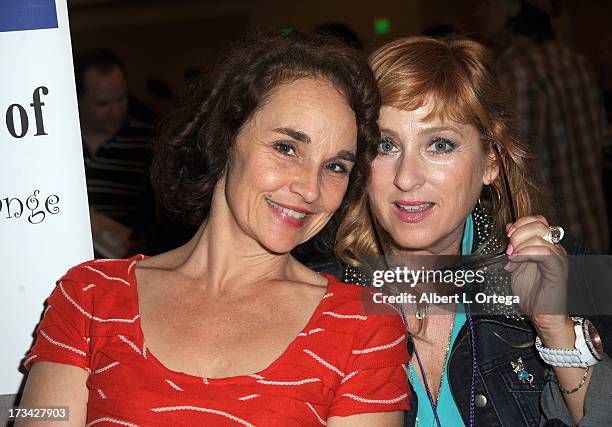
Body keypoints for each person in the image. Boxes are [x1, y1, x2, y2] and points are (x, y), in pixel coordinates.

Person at [18, 33, 410, 426]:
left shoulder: (364, 327)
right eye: (287, 148)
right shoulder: (89, 296)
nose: (310, 188)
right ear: (224, 139)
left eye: (335, 167)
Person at [323, 36, 611, 426]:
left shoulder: (571, 271)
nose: (407, 178)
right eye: (385, 145)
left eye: (439, 144)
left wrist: (556, 330)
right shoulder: (320, 295)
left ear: (491, 160)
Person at [477, 0, 610, 254]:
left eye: (487, 4)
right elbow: (603, 139)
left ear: (512, 8)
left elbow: (516, 170)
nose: (479, 12)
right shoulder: (576, 62)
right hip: (594, 224)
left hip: (547, 238)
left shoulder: (514, 73)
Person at [74, 49, 155, 258]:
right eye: (103, 104)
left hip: (128, 267)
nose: (116, 111)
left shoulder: (148, 142)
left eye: (121, 99)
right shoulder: (58, 144)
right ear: (77, 99)